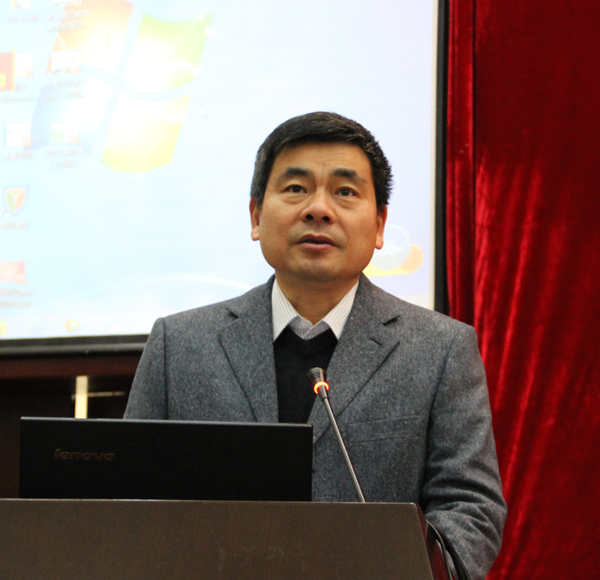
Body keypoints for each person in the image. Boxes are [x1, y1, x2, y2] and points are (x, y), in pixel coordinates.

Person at [125, 112, 507, 580]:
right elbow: (130, 498)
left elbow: (470, 506)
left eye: (345, 192)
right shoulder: (179, 345)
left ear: (380, 224)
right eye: (296, 188)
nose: (319, 209)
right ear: (255, 216)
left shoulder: (440, 348)